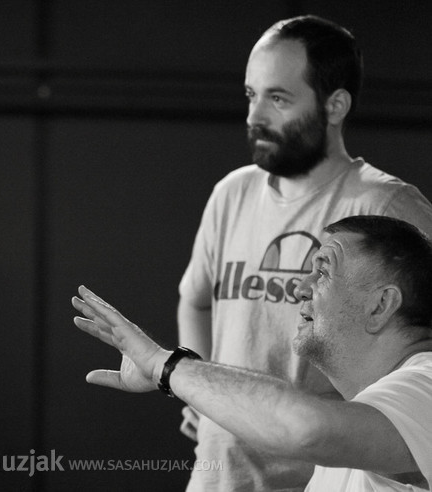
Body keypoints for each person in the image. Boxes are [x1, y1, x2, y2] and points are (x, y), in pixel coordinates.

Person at [177, 15, 432, 491]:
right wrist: (198, 394)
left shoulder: (387, 206)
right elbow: (193, 297)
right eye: (252, 96)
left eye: (278, 98)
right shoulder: (232, 193)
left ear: (335, 105)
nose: (255, 117)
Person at [73, 215, 432, 491]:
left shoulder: (426, 383)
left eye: (322, 272)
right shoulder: (365, 411)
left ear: (381, 304)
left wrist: (164, 366)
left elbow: (306, 429)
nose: (300, 287)